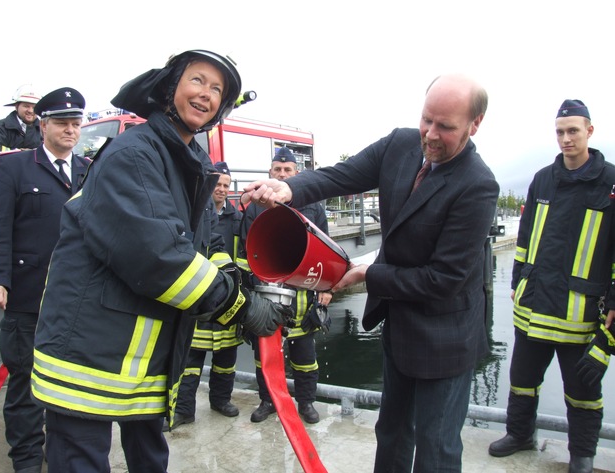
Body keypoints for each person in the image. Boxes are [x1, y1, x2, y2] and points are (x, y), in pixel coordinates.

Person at [29, 49, 292, 473]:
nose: (206, 94)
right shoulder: (134, 155)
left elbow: (199, 249)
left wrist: (245, 287)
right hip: (89, 353)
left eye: (217, 90)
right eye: (197, 80)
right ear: (170, 89)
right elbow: (161, 259)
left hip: (140, 354)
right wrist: (240, 308)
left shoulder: (186, 163)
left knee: (151, 458)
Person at [242, 74, 499, 472]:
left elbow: (442, 280)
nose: (430, 135)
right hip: (401, 327)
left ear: (474, 123)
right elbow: (339, 176)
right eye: (426, 120)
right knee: (392, 431)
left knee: (437, 448)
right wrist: (287, 190)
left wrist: (365, 274)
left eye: (445, 126)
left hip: (447, 339)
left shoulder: (478, 185)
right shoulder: (399, 144)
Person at [488, 99, 615, 473]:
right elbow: (525, 237)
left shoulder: (610, 183)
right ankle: (519, 434)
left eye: (573, 131)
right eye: (560, 132)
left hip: (580, 312)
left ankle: (582, 456)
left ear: (589, 131)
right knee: (522, 380)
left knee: (583, 392)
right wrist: (517, 281)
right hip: (533, 306)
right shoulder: (542, 178)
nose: (565, 139)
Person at [0, 86, 90, 473]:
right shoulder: (13, 167)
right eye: (62, 122)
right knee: (25, 387)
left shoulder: (88, 171)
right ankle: (27, 461)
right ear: (42, 125)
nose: (70, 129)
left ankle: (61, 454)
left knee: (69, 386)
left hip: (76, 300)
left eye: (76, 123)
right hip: (29, 297)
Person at [239, 146, 333, 424]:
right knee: (265, 356)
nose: (282, 173)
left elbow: (327, 250)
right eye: (277, 170)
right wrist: (247, 295)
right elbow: (245, 255)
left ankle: (306, 403)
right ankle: (268, 401)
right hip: (265, 299)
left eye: (287, 170)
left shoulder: (313, 208)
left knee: (305, 357)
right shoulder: (254, 208)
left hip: (303, 299)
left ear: (296, 174)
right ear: (270, 173)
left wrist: (327, 289)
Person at [166, 161, 245, 431]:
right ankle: (184, 410)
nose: (221, 189)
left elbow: (243, 257)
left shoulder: (238, 219)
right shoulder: (196, 213)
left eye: (226, 185)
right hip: (199, 295)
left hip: (228, 297)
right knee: (191, 360)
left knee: (226, 359)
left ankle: (220, 401)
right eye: (218, 184)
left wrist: (238, 288)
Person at [0, 84, 43, 159]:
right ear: (16, 107)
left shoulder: (45, 129)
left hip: (34, 171)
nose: (31, 111)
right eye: (26, 106)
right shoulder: (1, 127)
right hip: (6, 170)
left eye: (34, 107)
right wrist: (18, 153)